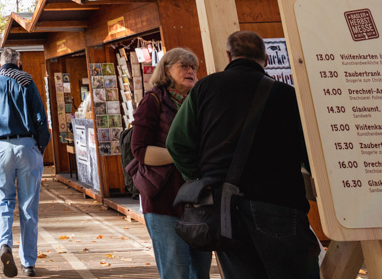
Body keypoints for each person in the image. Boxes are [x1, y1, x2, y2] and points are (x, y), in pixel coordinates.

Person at [166, 31, 317, 279]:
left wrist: (202, 176)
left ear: (229, 55)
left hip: (226, 208)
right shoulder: (286, 94)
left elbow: (176, 143)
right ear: (265, 59)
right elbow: (309, 152)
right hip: (279, 204)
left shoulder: (204, 88)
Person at [130, 47, 209, 279]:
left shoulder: (199, 102)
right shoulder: (153, 100)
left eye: (193, 67)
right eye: (184, 66)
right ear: (166, 70)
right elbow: (139, 150)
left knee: (201, 273)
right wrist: (181, 154)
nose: (190, 71)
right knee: (176, 272)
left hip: (199, 200)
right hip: (164, 201)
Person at [0, 48, 50, 278]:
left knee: (3, 200)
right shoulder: (27, 81)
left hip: (1, 147)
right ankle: (28, 263)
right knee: (28, 207)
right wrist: (40, 146)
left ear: (0, 64)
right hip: (28, 146)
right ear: (18, 62)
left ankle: (5, 244)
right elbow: (40, 117)